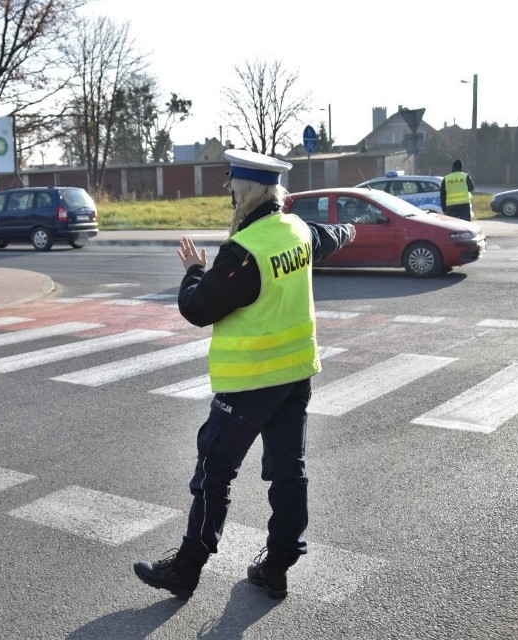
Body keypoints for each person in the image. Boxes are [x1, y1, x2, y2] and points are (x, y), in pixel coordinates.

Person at [133, 149, 356, 601]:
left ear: (248, 190)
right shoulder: (296, 229)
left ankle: (186, 571)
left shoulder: (245, 251)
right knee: (289, 472)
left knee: (214, 474)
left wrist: (194, 270)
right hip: (295, 376)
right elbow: (330, 236)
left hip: (250, 384)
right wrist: (352, 227)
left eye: (233, 184)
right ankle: (277, 567)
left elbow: (198, 308)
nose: (230, 191)